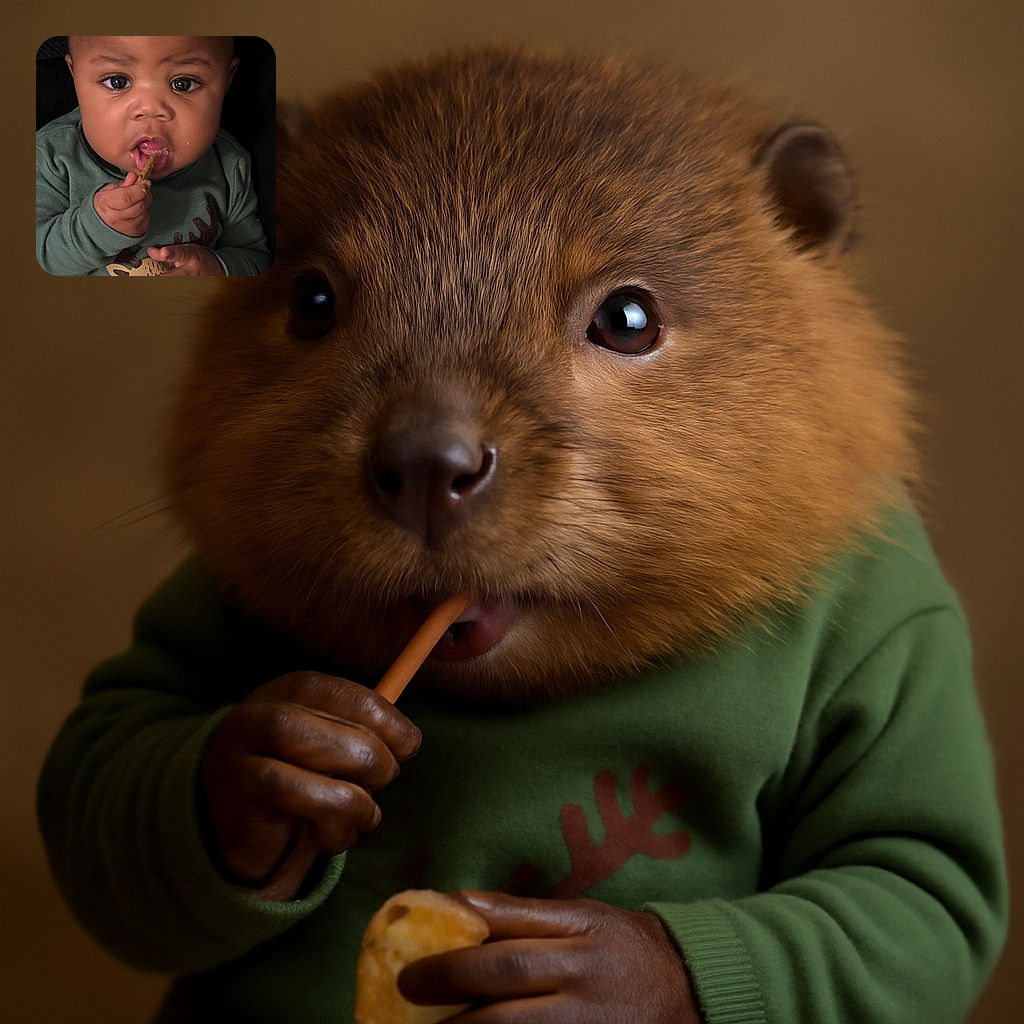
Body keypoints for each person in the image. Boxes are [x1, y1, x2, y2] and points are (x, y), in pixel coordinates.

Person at [36, 35, 271, 276]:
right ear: (74, 76)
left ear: (226, 79)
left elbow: (256, 260)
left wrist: (217, 269)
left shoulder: (228, 164)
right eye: (117, 82)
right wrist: (95, 228)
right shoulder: (52, 158)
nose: (150, 109)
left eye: (183, 83)